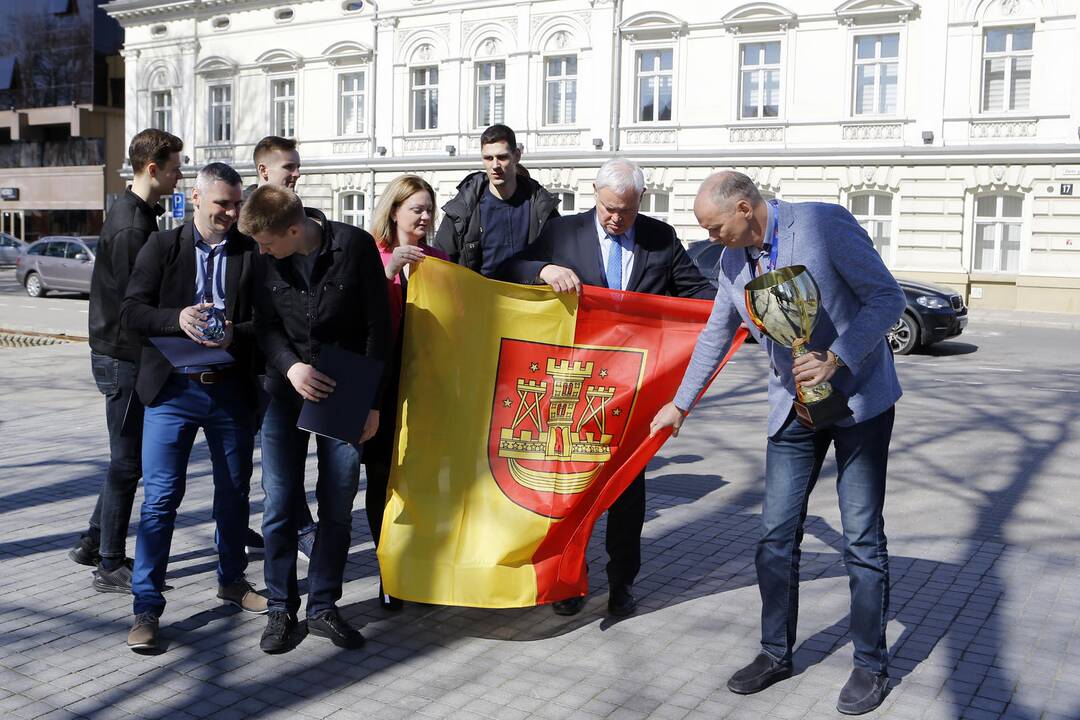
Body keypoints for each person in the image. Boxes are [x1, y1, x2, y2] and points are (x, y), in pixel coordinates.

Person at [650, 171, 906, 715]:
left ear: (744, 208)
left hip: (857, 403)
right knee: (774, 536)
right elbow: (716, 334)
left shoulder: (821, 224)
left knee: (861, 538)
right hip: (793, 411)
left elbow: (887, 299)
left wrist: (837, 356)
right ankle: (775, 652)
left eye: (715, 227)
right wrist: (680, 404)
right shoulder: (731, 263)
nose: (711, 237)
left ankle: (870, 665)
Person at [496, 158, 714, 618]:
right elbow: (509, 266)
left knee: (627, 491)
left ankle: (622, 584)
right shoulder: (564, 233)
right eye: (609, 208)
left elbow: (697, 295)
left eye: (627, 211)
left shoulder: (660, 238)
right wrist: (543, 270)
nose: (616, 219)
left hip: (636, 388)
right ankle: (566, 580)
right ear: (594, 192)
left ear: (641, 201)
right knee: (570, 490)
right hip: (573, 387)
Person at [120, 163, 269, 653]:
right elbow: (131, 311)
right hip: (172, 393)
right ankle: (146, 606)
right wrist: (176, 318)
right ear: (197, 198)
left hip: (228, 390)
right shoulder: (162, 247)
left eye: (236, 203)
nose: (230, 212)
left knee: (233, 495)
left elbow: (267, 322)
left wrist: (235, 333)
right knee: (161, 499)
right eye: (222, 202)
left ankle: (231, 580)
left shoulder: (250, 253)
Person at [239, 185, 390, 654]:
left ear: (293, 229)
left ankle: (323, 606)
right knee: (280, 504)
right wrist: (291, 366)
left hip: (345, 391)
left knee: (338, 504)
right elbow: (262, 325)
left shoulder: (354, 246)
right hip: (284, 392)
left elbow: (376, 327)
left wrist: (372, 403)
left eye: (267, 243)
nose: (260, 251)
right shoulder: (264, 257)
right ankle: (282, 609)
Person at [73, 128, 184, 591]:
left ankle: (94, 540)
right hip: (123, 357)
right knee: (127, 463)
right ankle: (111, 564)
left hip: (119, 353)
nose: (180, 175)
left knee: (125, 458)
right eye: (175, 168)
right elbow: (136, 301)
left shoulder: (133, 211)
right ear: (153, 169)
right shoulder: (133, 226)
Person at [366, 174, 449, 610]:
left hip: (425, 386)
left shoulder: (439, 258)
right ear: (394, 211)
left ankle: (420, 567)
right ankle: (388, 572)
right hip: (381, 386)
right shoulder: (373, 254)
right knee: (382, 479)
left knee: (421, 481)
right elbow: (358, 311)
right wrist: (391, 268)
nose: (424, 215)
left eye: (428, 208)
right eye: (416, 208)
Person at [251, 135, 317, 558]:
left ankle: (299, 528)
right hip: (262, 365)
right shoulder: (245, 225)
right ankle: (298, 531)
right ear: (263, 172)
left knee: (284, 464)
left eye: (296, 166)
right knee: (275, 467)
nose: (296, 173)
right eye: (288, 167)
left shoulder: (308, 219)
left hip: (304, 362)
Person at [433, 124, 559, 277]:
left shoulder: (541, 206)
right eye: (488, 158)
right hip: (478, 298)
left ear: (517, 156)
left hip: (528, 297)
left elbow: (564, 254)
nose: (495, 165)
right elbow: (438, 262)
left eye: (502, 157)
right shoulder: (463, 208)